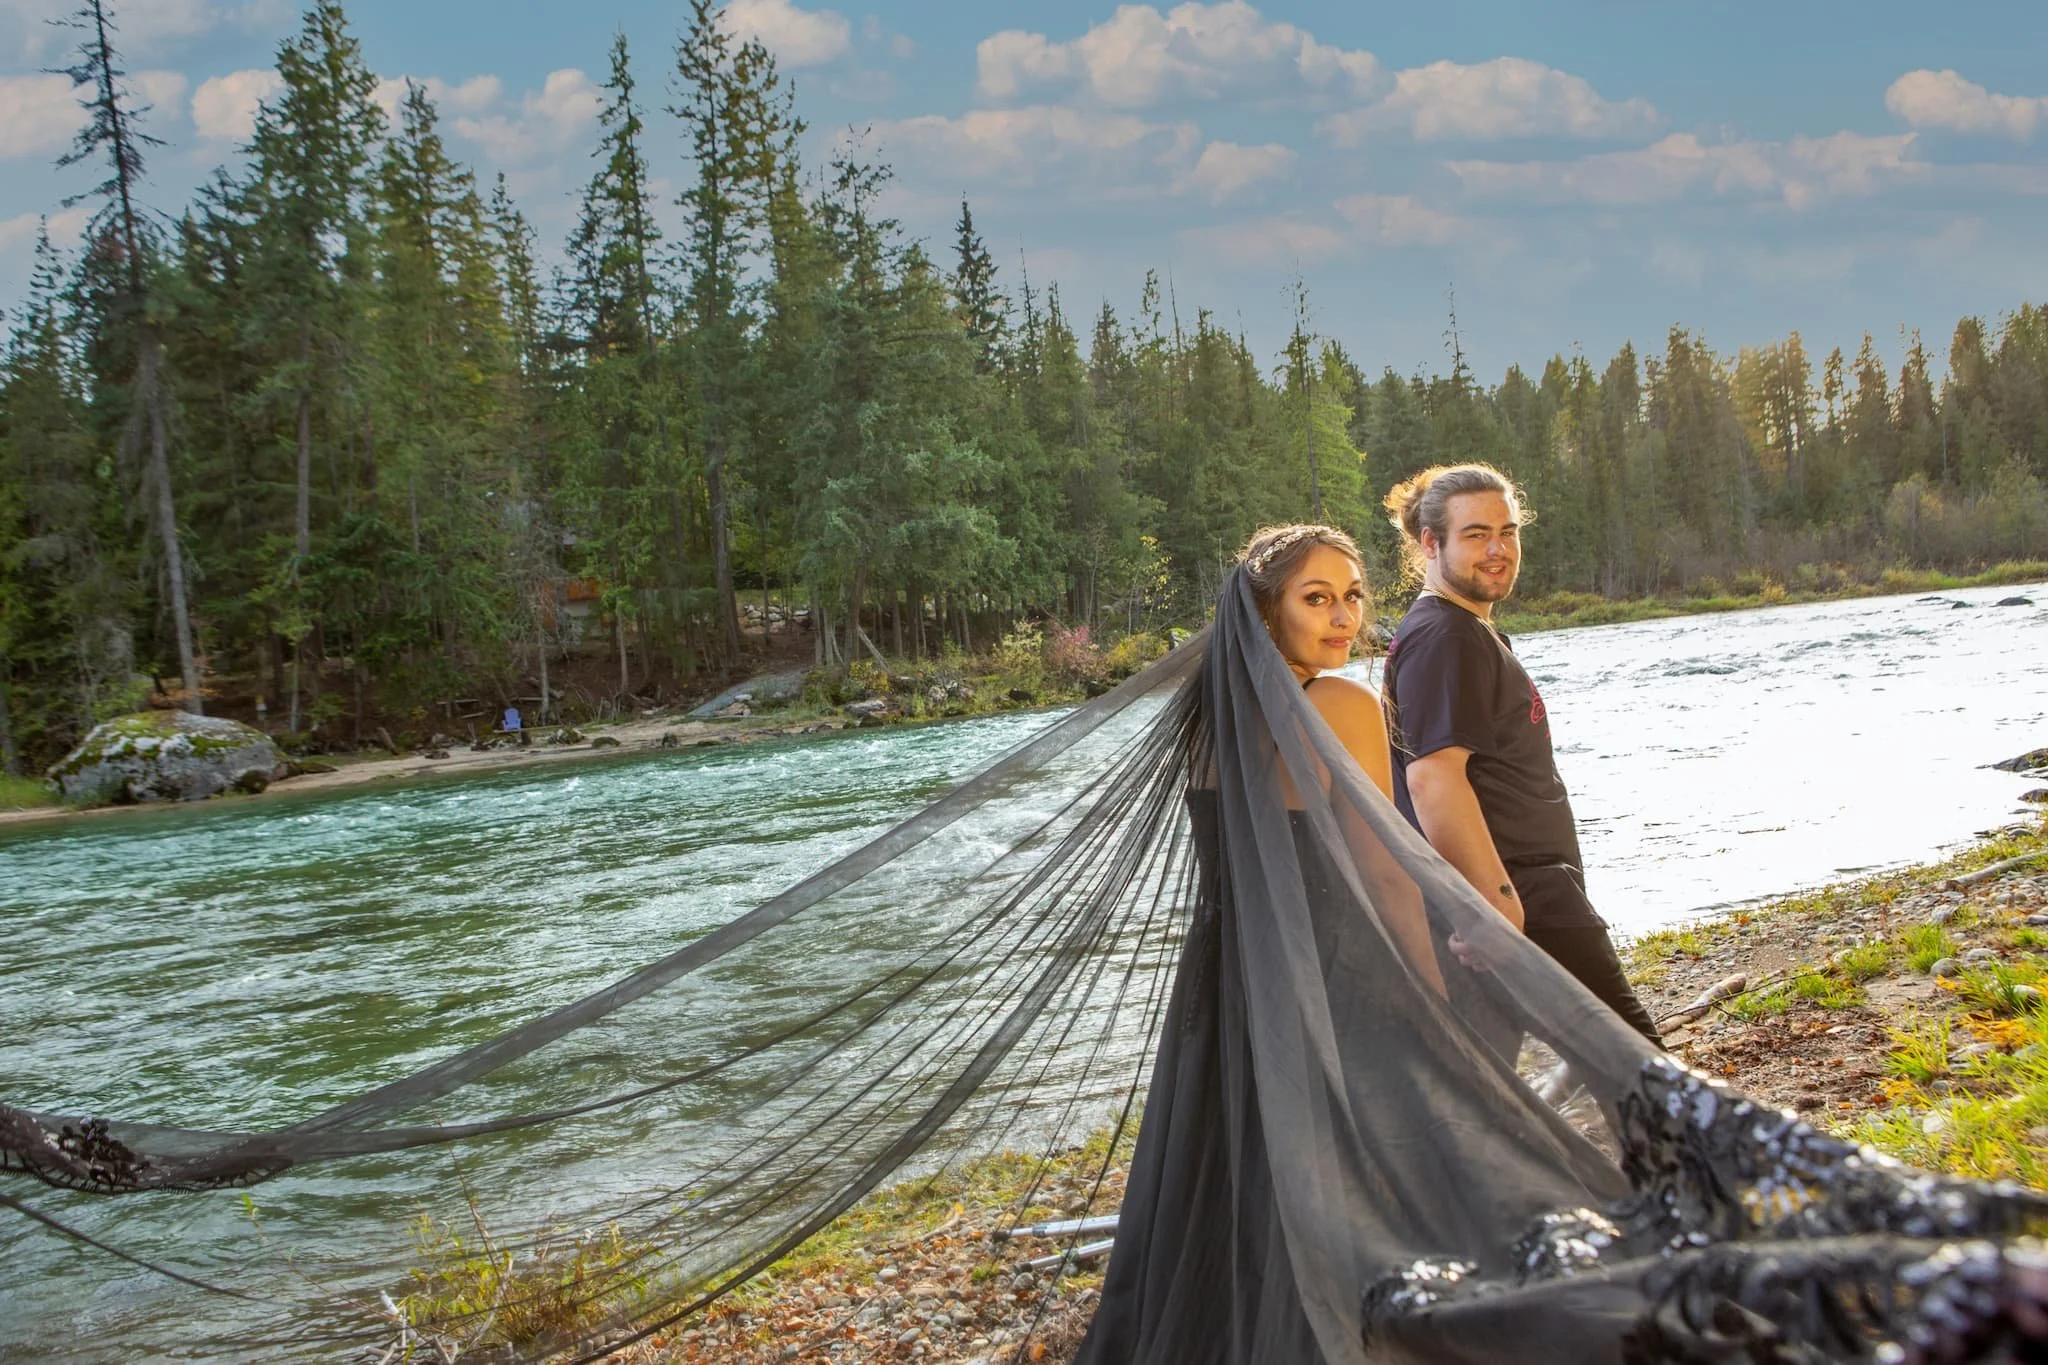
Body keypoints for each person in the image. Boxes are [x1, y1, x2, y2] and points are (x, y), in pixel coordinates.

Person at [1380, 464, 1662, 1046]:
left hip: (1519, 897)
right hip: (1522, 897)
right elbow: (1432, 779)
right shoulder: (1445, 637)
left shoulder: (1465, 631)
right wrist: (1494, 904)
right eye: (1476, 534)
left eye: (1507, 532)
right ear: (1430, 543)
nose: (1498, 549)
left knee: (1485, 1083)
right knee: (1638, 1065)